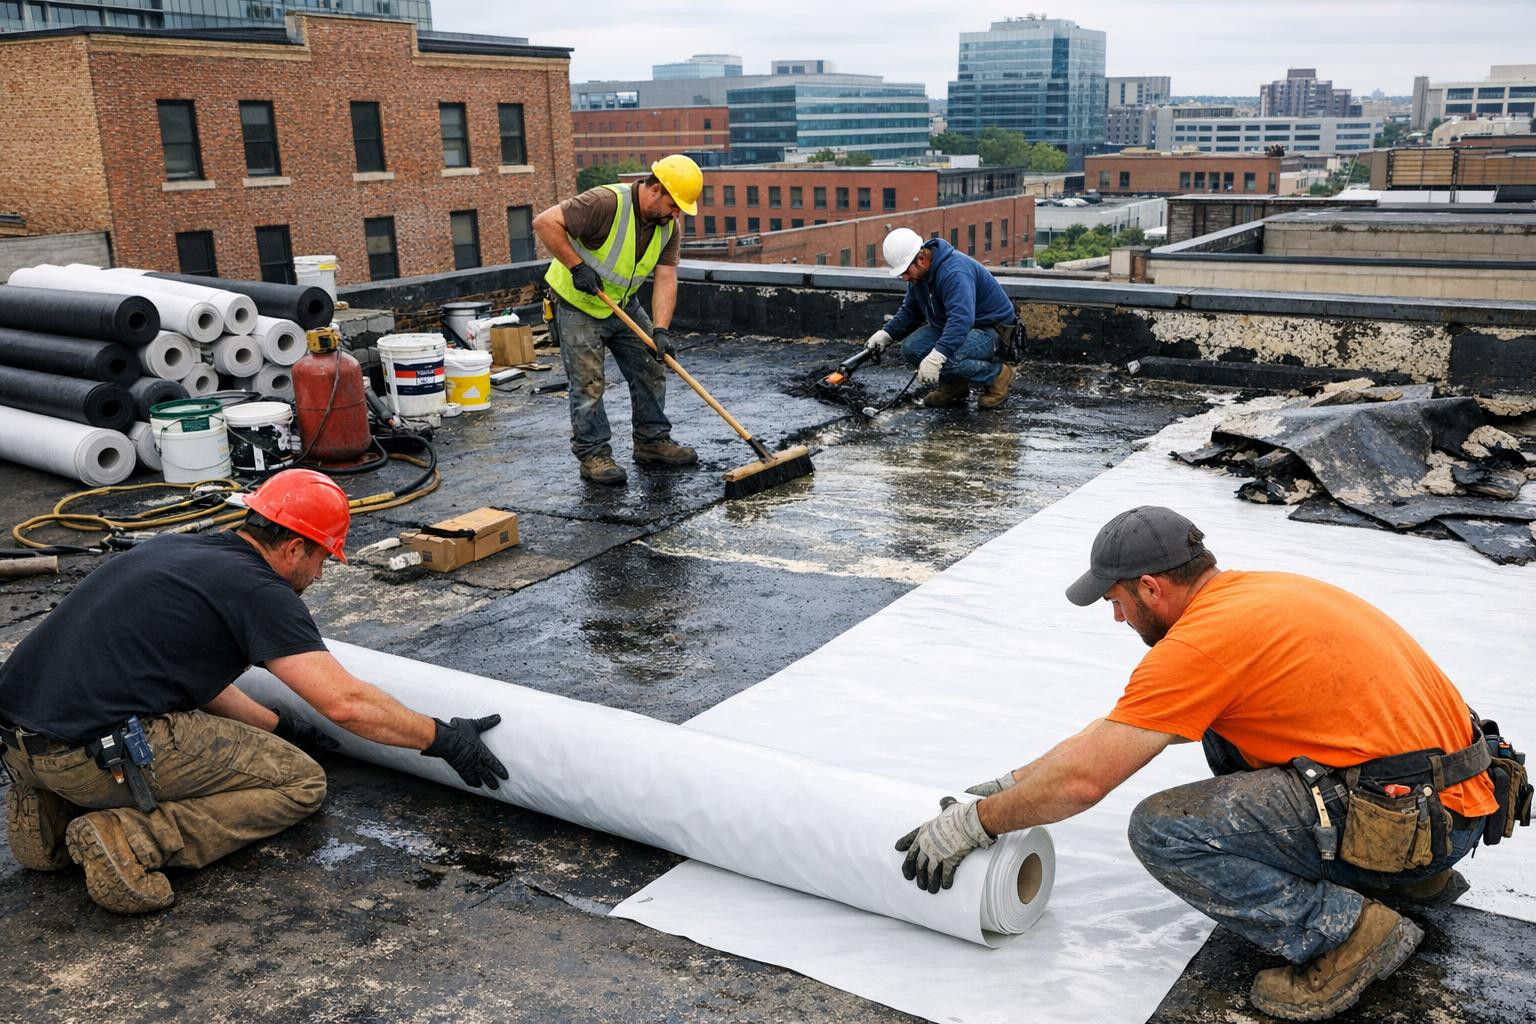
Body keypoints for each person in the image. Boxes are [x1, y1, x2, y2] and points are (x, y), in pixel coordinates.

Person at [895, 506, 1498, 1021]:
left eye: (1116, 600)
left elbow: (1084, 783)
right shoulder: (1257, 593)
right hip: (1451, 801)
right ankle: (1406, 877)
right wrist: (1015, 783)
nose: (1116, 617)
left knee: (1164, 829)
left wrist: (977, 824)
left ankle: (1347, 933)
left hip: (1414, 818)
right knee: (1221, 735)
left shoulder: (1201, 645)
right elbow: (1119, 731)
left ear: (1151, 587)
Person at [0, 469, 508, 914]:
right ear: (293, 548)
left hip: (20, 744)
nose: (321, 572)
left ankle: (50, 809)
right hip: (94, 754)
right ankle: (130, 838)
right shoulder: (260, 591)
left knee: (227, 743)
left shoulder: (180, 550)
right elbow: (345, 702)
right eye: (323, 558)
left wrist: (278, 726)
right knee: (298, 784)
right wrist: (442, 738)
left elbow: (194, 682)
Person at [534, 155, 705, 487]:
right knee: (588, 383)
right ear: (655, 189)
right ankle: (594, 455)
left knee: (652, 364)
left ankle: (652, 441)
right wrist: (575, 266)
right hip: (578, 303)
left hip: (621, 304)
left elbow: (667, 276)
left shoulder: (668, 226)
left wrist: (660, 329)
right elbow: (544, 222)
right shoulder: (604, 202)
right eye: (674, 204)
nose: (676, 213)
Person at [862, 227, 1018, 410]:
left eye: (905, 271)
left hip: (991, 331)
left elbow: (961, 321)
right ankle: (955, 387)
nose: (904, 278)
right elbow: (910, 311)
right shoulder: (919, 277)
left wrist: (937, 357)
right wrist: (886, 333)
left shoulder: (955, 273)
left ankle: (997, 376)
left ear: (921, 258)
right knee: (912, 349)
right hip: (955, 327)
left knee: (947, 358)